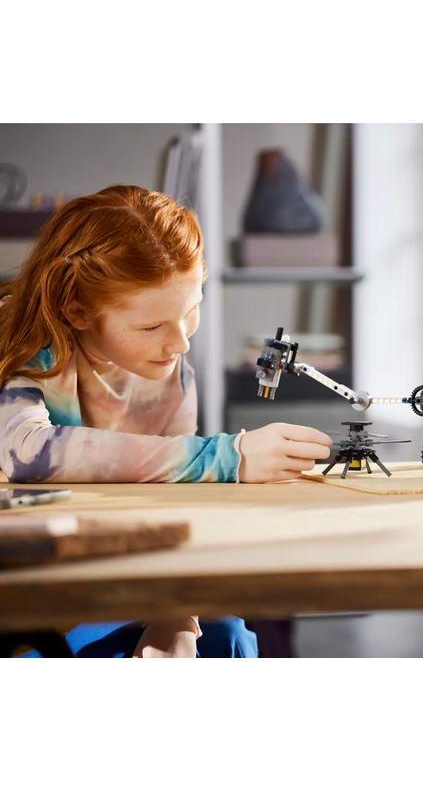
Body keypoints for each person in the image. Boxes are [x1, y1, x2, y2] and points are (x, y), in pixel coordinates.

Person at [0, 185, 332, 657]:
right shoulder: (23, 340)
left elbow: (176, 489)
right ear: (77, 310)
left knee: (229, 638)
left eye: (191, 311)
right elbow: (27, 451)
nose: (180, 343)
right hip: (29, 584)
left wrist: (175, 614)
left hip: (123, 571)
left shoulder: (169, 368)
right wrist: (228, 457)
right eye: (151, 326)